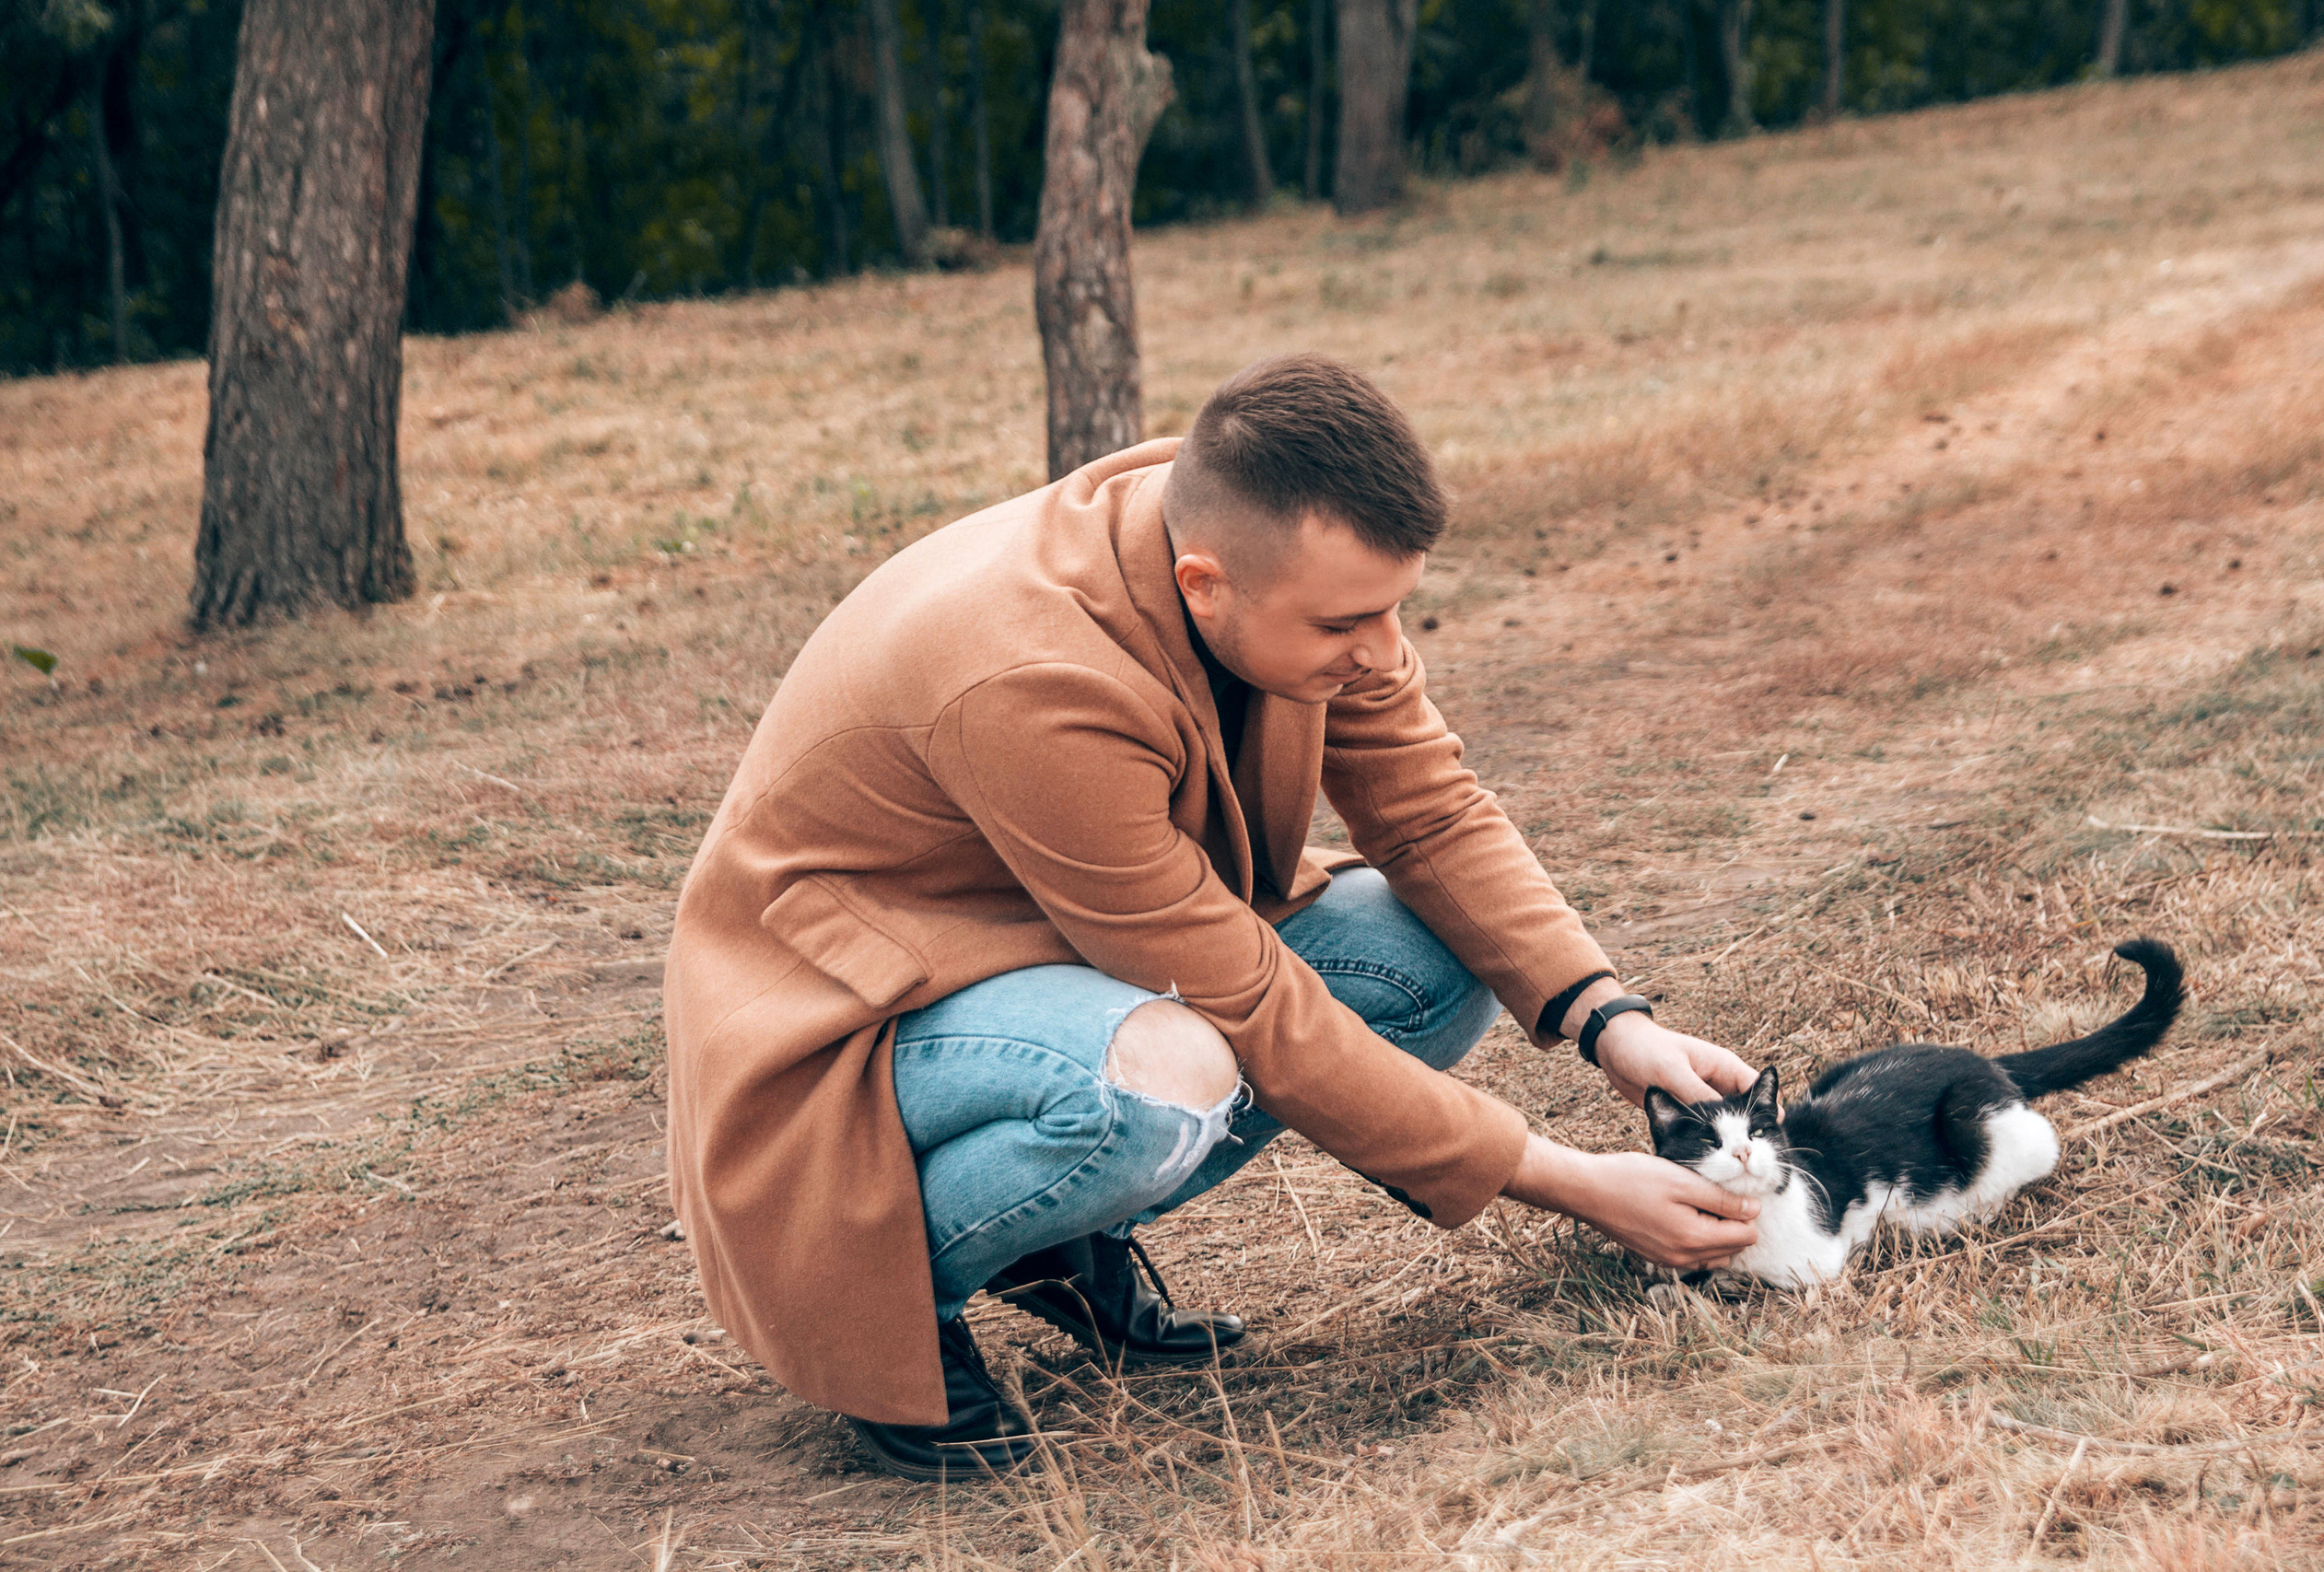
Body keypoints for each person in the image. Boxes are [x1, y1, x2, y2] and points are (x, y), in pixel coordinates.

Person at [663, 353, 1762, 1481]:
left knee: (1421, 959)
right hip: (852, 1015)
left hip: (1051, 946)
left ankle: (1052, 1236)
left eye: (1396, 607)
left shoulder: (1266, 563)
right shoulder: (1030, 677)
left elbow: (1431, 815)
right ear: (1202, 585)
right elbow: (1245, 999)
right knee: (1156, 1078)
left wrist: (1612, 1024)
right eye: (1350, 622)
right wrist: (1569, 1183)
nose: (1384, 651)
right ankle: (882, 1298)